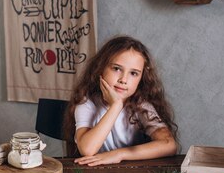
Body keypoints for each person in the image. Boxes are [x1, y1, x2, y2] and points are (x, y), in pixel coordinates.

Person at [63, 36, 178, 166]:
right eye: (117, 69)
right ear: (100, 68)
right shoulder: (87, 103)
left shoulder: (141, 105)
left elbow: (169, 145)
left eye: (133, 73)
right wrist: (116, 106)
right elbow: (87, 149)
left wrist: (119, 154)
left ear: (142, 78)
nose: (123, 79)